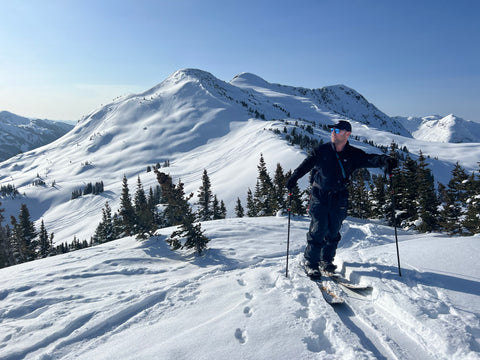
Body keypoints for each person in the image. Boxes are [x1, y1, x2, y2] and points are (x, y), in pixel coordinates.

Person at [286, 120, 397, 278]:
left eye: (337, 130)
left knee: (333, 231)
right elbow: (306, 165)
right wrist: (293, 178)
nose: (333, 132)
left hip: (339, 198)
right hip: (319, 196)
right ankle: (311, 262)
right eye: (333, 130)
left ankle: (326, 261)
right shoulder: (321, 150)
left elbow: (370, 159)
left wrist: (385, 160)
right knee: (319, 229)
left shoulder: (353, 154)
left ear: (347, 134)